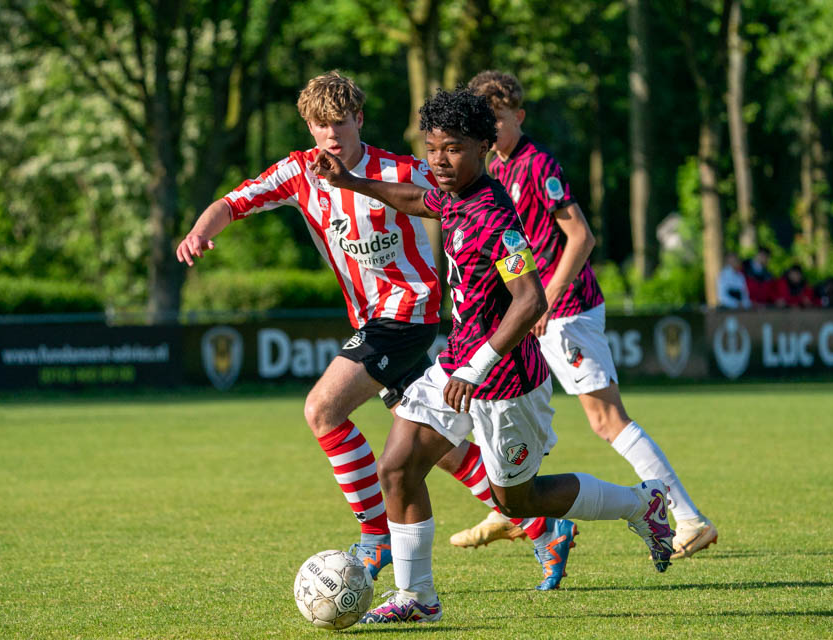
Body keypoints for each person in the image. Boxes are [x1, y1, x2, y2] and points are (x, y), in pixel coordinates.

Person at [175, 70, 567, 588]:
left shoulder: (403, 170)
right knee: (441, 451)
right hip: (372, 319)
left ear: (358, 119)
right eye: (320, 125)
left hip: (409, 312)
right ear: (309, 129)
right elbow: (234, 202)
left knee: (323, 408)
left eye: (339, 122)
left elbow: (470, 191)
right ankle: (544, 527)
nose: (331, 135)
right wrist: (202, 230)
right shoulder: (298, 173)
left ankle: (374, 537)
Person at [311, 87, 675, 624]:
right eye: (432, 147)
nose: (438, 160)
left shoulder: (492, 216)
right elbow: (417, 200)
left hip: (508, 383)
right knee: (398, 468)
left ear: (484, 146)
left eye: (453, 148)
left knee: (517, 501)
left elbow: (530, 299)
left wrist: (478, 368)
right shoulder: (451, 192)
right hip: (458, 366)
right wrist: (350, 182)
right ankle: (418, 599)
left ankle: (642, 504)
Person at [438, 70, 716, 561]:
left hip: (564, 310)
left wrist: (545, 298)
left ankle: (689, 518)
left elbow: (581, 236)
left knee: (607, 419)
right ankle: (509, 507)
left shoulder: (536, 163)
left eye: (499, 120)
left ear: (517, 118)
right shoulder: (490, 170)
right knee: (514, 415)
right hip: (532, 314)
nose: (493, 130)